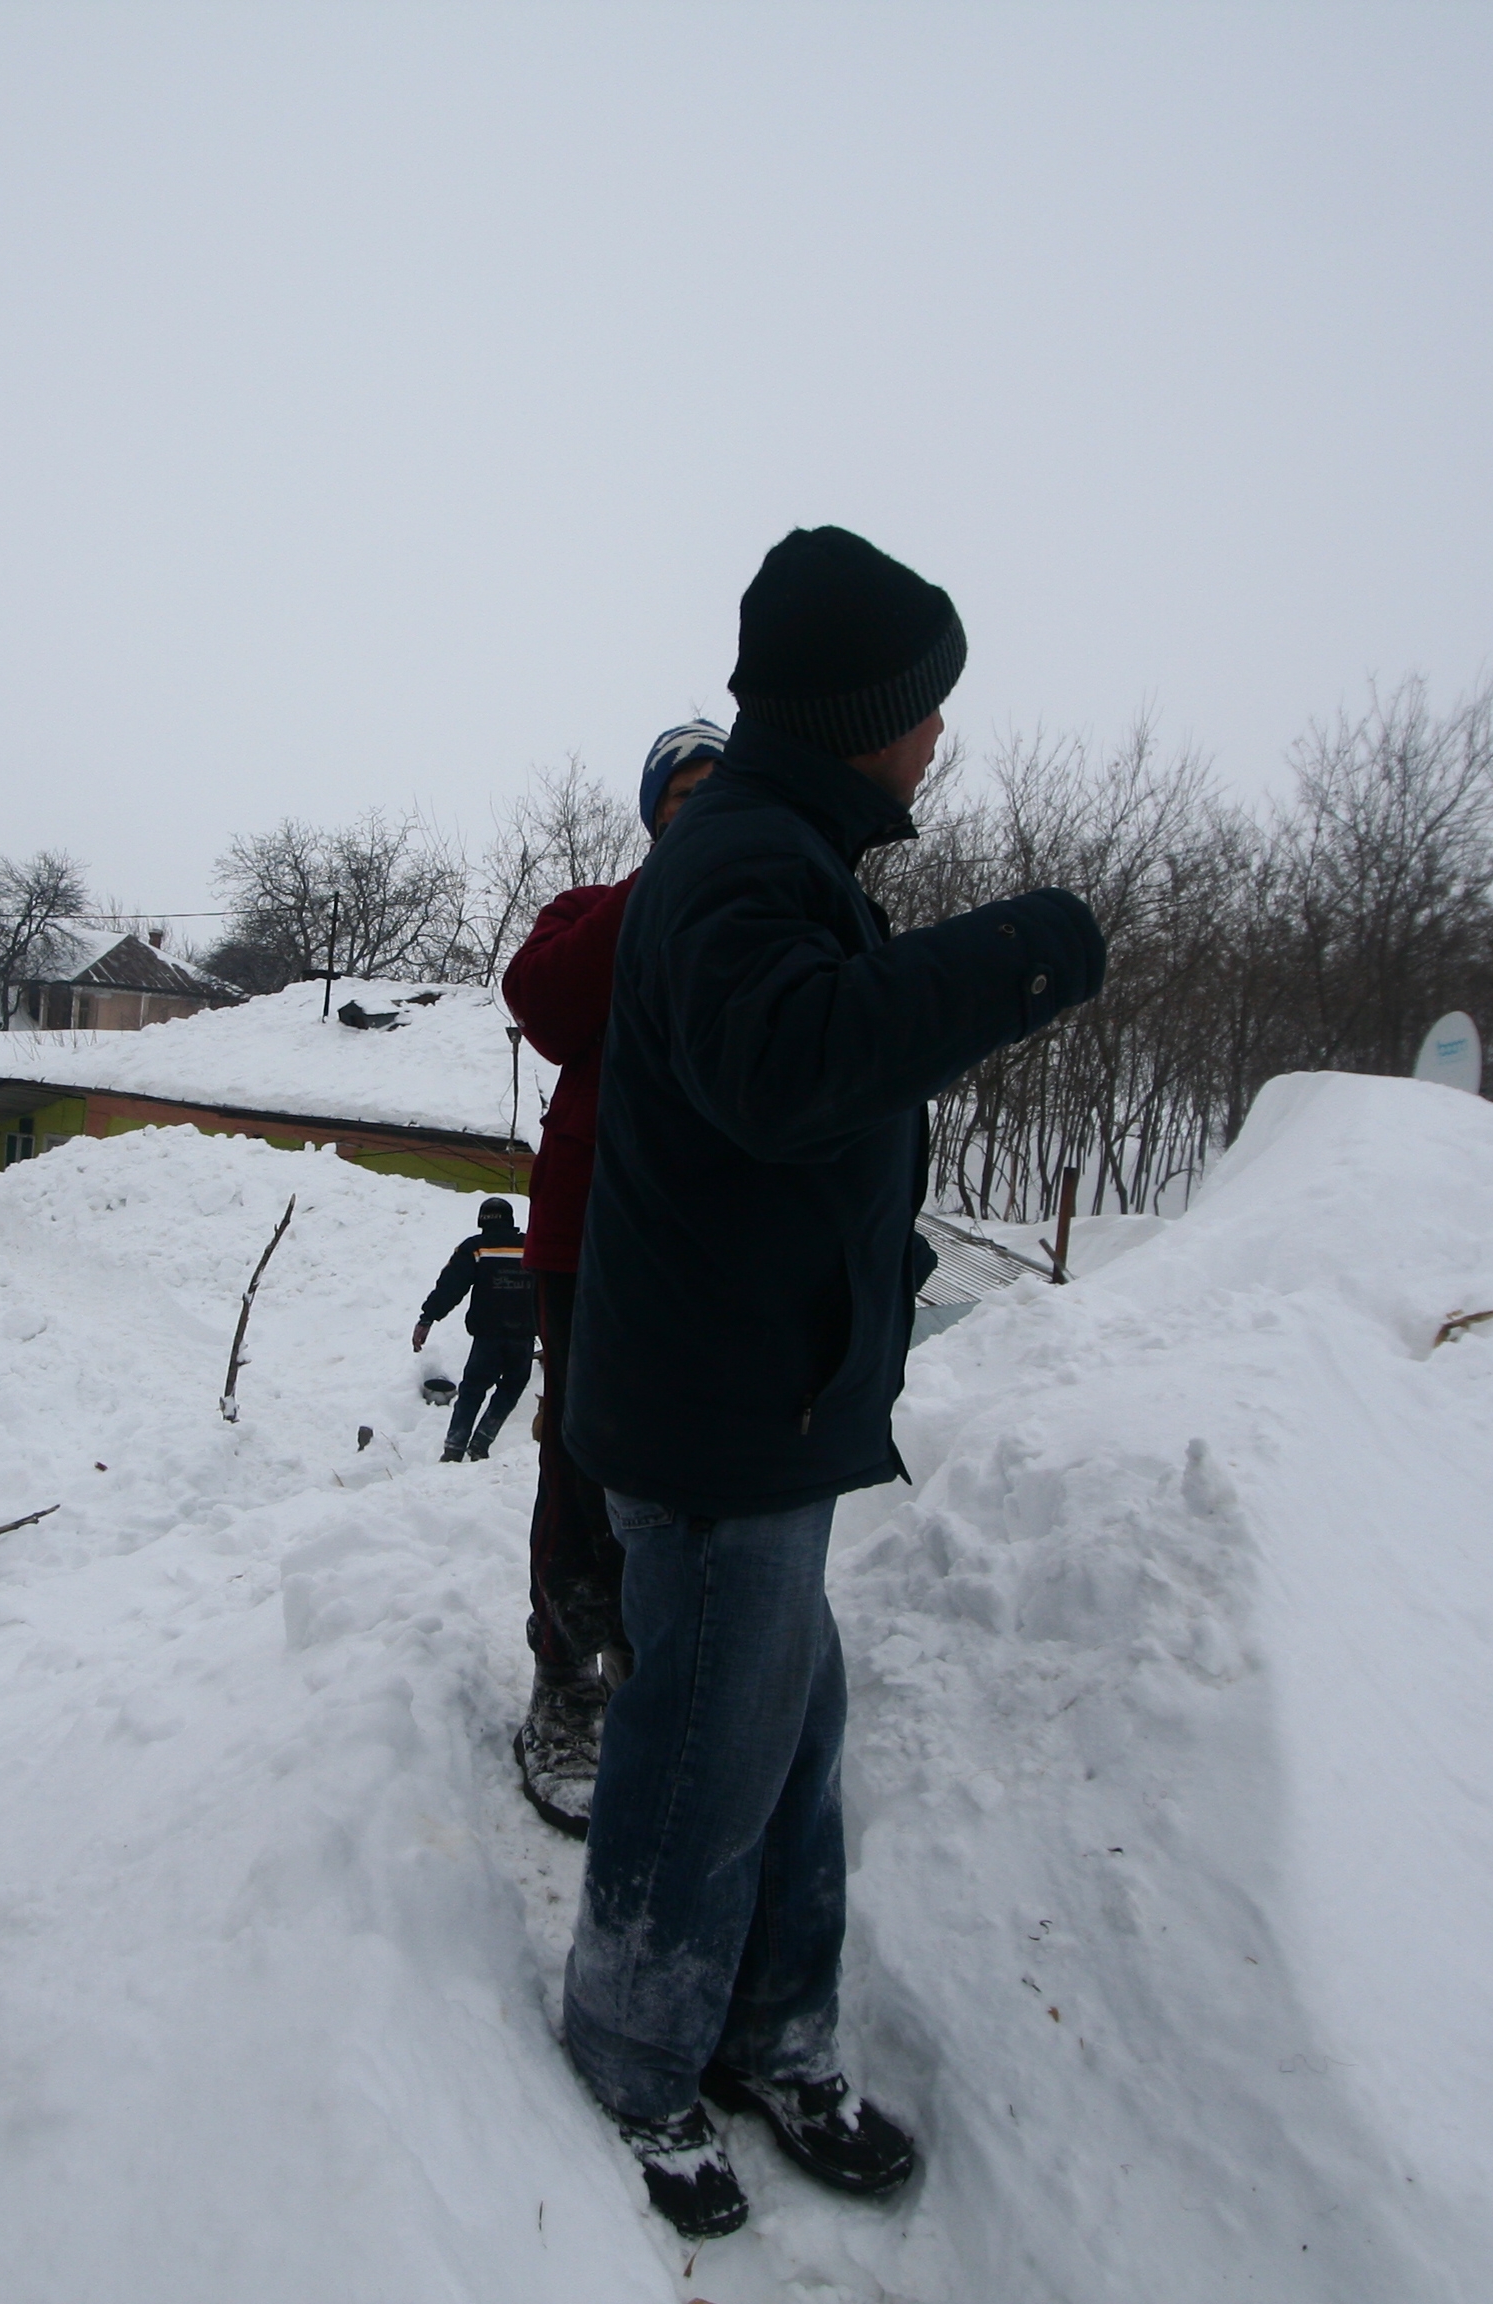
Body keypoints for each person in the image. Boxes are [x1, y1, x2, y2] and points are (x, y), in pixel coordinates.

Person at [562, 526, 1106, 2238]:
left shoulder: (781, 850)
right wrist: (1021, 947)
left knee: (786, 1737)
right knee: (700, 1756)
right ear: (864, 708)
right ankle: (638, 2051)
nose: (942, 734)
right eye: (928, 704)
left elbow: (799, 1087)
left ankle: (777, 2025)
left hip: (758, 1401)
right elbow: (793, 1062)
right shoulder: (737, 860)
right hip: (721, 1421)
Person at [497, 719, 727, 1839]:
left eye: (721, 795)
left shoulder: (760, 927)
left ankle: (665, 1673)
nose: (704, 811)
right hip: (591, 1243)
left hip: (717, 1250)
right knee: (585, 1459)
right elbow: (543, 1005)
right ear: (653, 816)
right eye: (683, 797)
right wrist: (664, 888)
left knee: (695, 1478)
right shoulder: (591, 910)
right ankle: (573, 1683)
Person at [412, 1195, 535, 1461]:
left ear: (482, 1220)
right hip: (523, 1335)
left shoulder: (475, 1248)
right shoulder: (531, 1246)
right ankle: (481, 1442)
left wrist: (427, 1318)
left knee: (472, 1390)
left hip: (488, 1336)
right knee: (512, 1387)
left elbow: (450, 1286)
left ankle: (454, 1448)